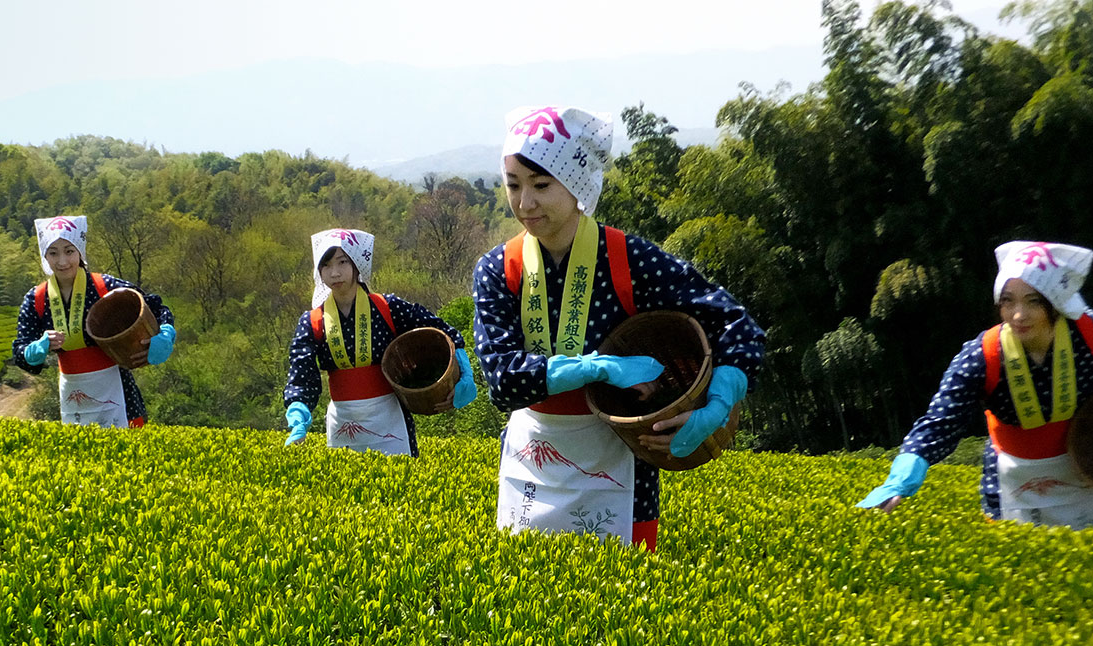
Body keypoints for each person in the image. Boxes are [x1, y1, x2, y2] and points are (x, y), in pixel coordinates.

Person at [472, 106, 766, 550]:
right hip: (533, 460)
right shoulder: (499, 269)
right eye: (513, 185)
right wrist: (595, 369)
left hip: (619, 456)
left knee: (622, 598)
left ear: (578, 186)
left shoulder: (631, 260)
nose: (525, 203)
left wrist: (721, 399)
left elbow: (735, 323)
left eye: (541, 185)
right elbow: (502, 382)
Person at [857, 241, 1093, 530]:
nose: (1018, 315)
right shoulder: (983, 354)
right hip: (1013, 483)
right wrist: (902, 479)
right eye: (1008, 301)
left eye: (1033, 301)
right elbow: (942, 420)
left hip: (1089, 476)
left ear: (1056, 300)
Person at [283, 228, 476, 456]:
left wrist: (464, 375)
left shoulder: (388, 307)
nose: (335, 273)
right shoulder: (313, 321)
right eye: (326, 265)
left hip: (390, 417)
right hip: (343, 421)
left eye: (342, 262)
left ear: (356, 264)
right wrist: (298, 416)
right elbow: (302, 373)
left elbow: (443, 332)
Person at [12, 215, 176, 428]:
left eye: (69, 251)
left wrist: (165, 334)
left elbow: (156, 307)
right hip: (71, 390)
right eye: (53, 253)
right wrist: (35, 350)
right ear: (45, 255)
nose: (62, 261)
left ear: (80, 251)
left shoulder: (105, 286)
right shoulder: (36, 299)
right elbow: (20, 350)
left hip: (119, 391)